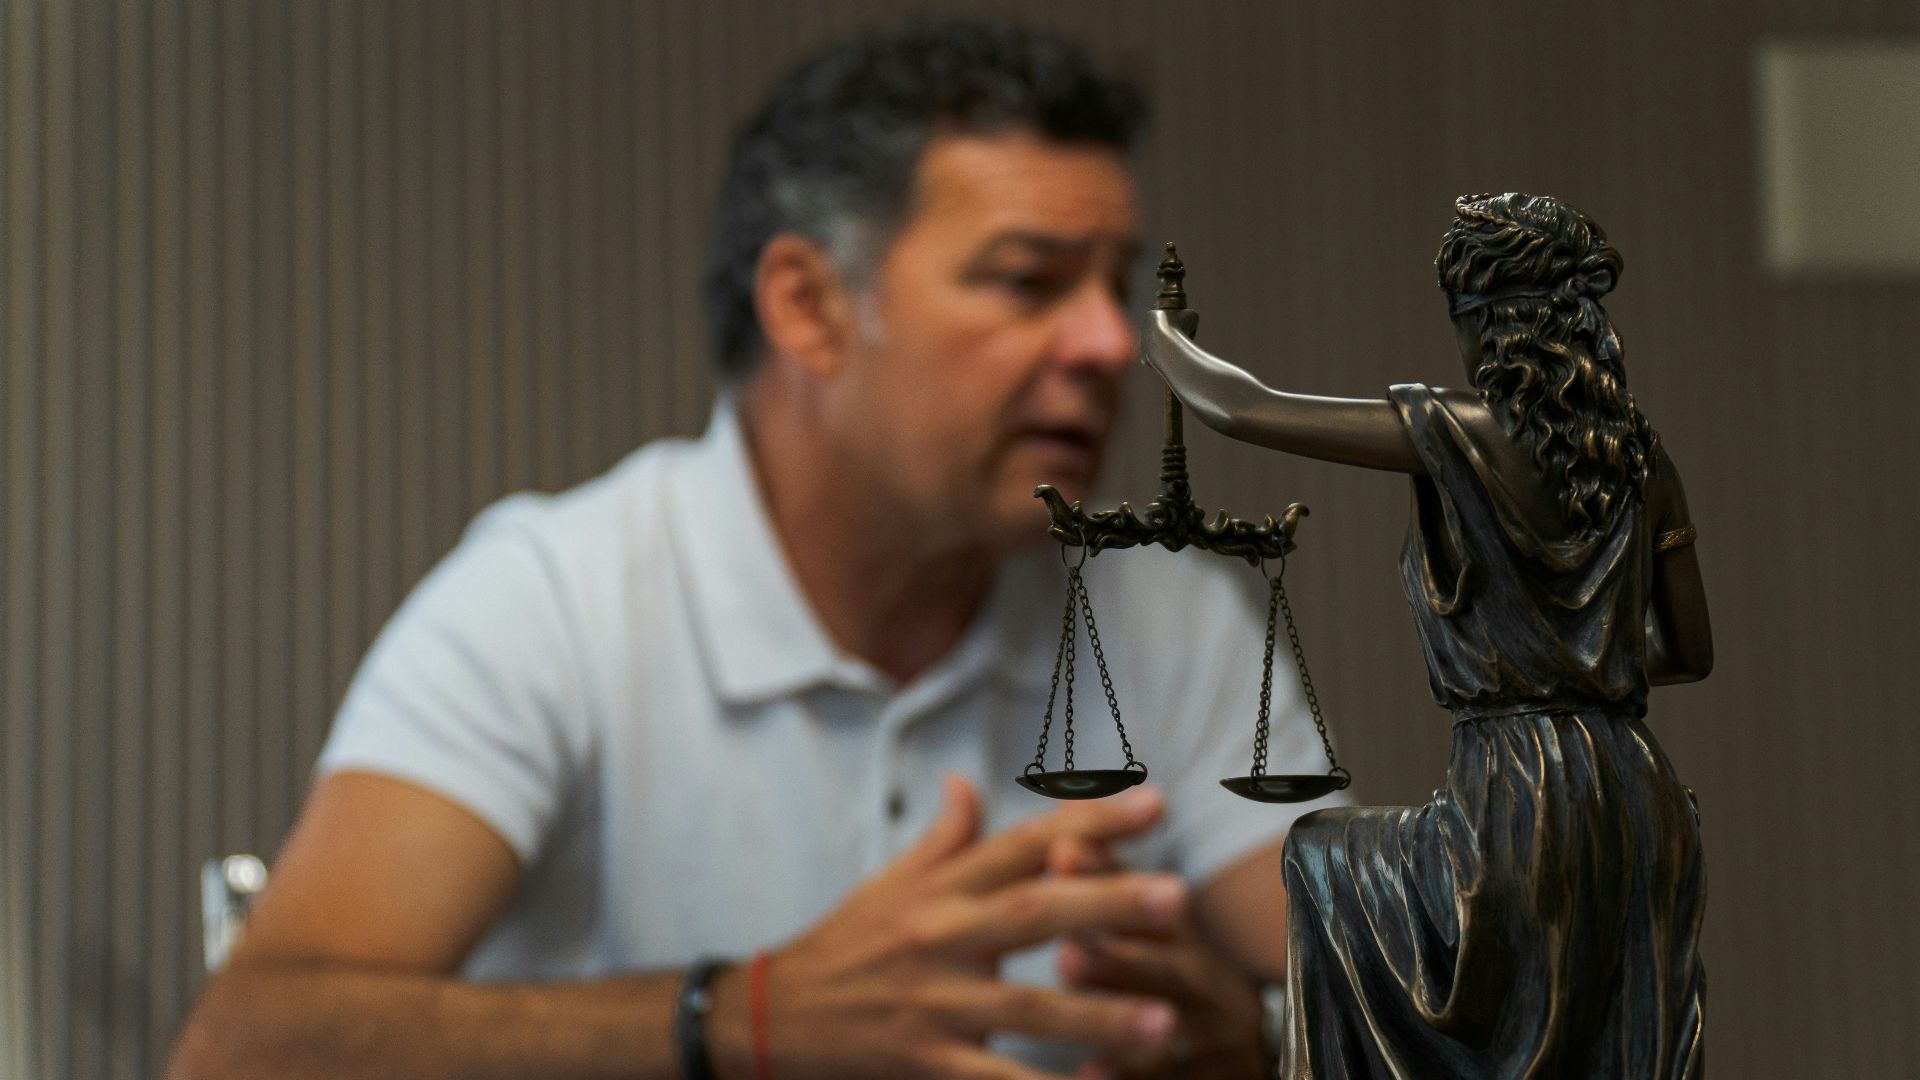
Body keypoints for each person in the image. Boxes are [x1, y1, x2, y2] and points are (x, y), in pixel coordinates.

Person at [167, 18, 1344, 1080]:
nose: (1106, 340)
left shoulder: (1168, 614)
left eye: (1114, 286)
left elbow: (1398, 1005)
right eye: (1028, 280)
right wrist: (740, 1018)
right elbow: (250, 1045)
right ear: (808, 306)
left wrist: (1261, 1038)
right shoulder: (558, 597)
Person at [1140, 193, 1711, 1077]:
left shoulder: (1457, 431)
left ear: (1487, 329)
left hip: (1518, 797)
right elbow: (1688, 653)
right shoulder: (1644, 460)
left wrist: (1168, 341)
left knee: (1325, 865)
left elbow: (1241, 407)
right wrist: (1585, 673)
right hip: (1639, 799)